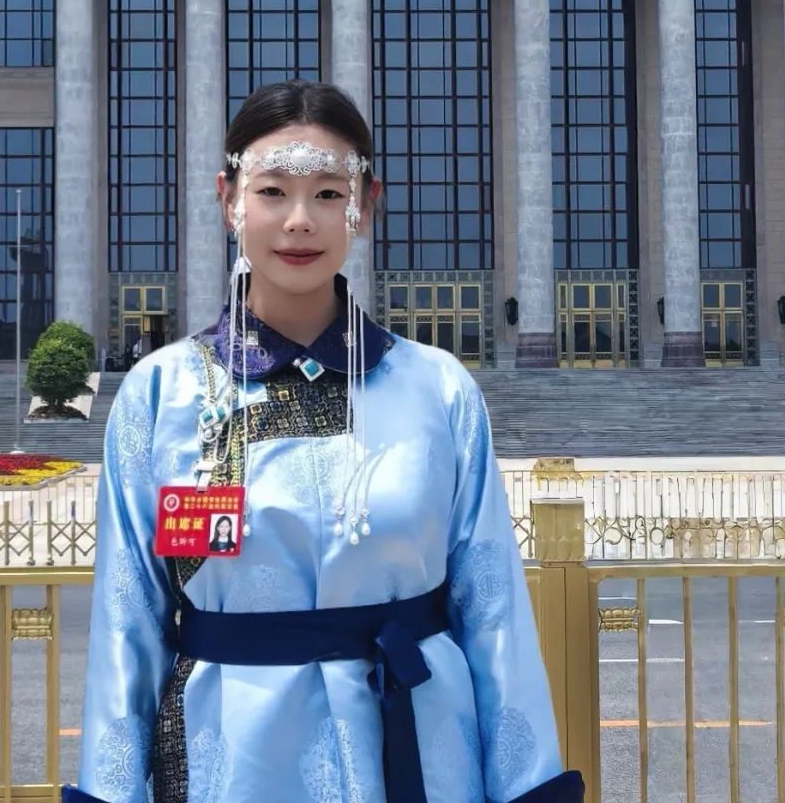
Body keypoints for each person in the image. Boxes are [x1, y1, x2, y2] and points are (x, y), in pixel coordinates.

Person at [64, 80, 583, 803]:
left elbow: (493, 612)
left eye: (329, 194)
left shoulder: (437, 389)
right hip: (229, 760)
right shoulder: (162, 395)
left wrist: (528, 788)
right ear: (228, 198)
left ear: (365, 204)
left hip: (415, 746)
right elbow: (128, 625)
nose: (300, 221)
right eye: (273, 191)